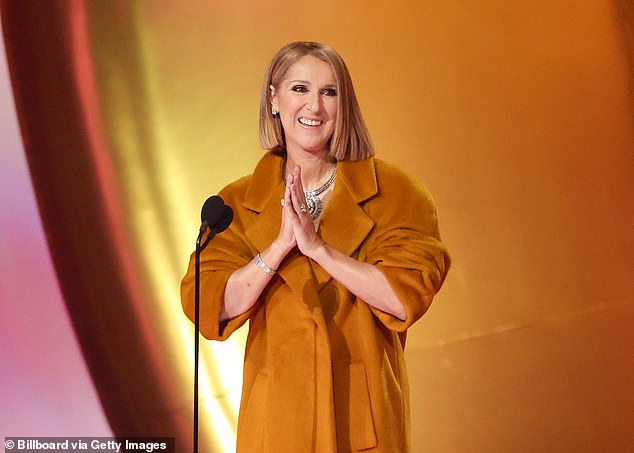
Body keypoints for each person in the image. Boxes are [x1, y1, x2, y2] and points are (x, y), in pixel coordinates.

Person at [181, 41, 450, 453]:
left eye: (329, 92)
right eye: (300, 89)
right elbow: (209, 304)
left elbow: (403, 296)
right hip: (274, 427)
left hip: (359, 422)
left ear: (345, 104)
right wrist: (279, 248)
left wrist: (319, 249)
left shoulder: (396, 194)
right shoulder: (234, 205)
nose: (315, 107)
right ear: (274, 99)